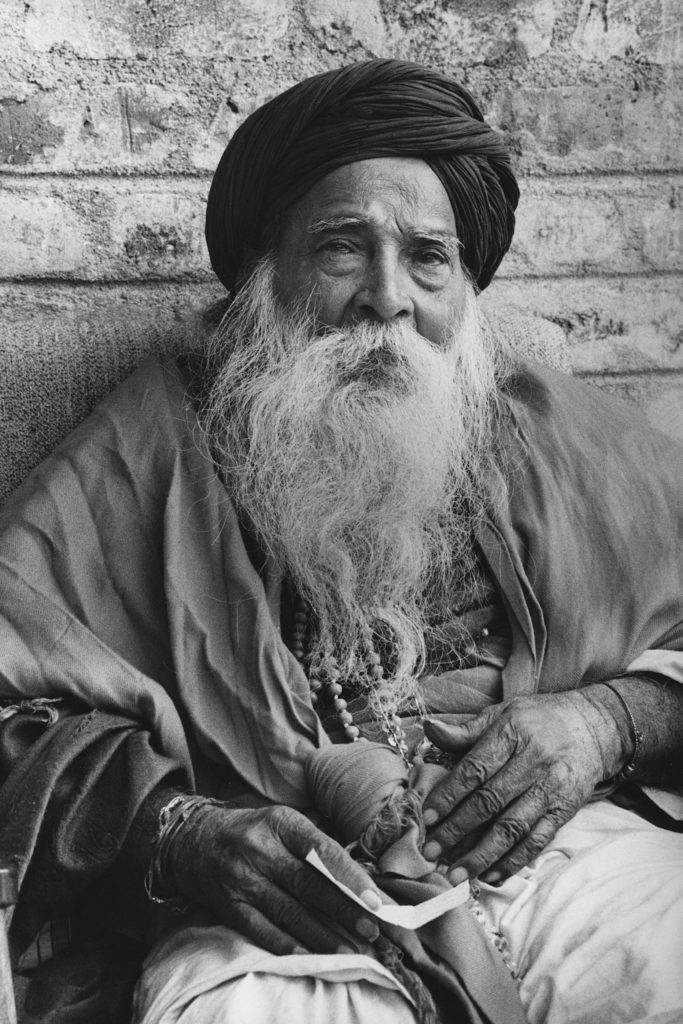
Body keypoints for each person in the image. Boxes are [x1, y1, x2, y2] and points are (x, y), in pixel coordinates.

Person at [0, 59, 681, 1024]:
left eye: (427, 257)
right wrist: (179, 831)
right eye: (340, 248)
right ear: (261, 278)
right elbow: (11, 698)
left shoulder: (556, 436)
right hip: (283, 905)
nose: (387, 298)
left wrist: (612, 720)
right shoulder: (147, 449)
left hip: (567, 851)